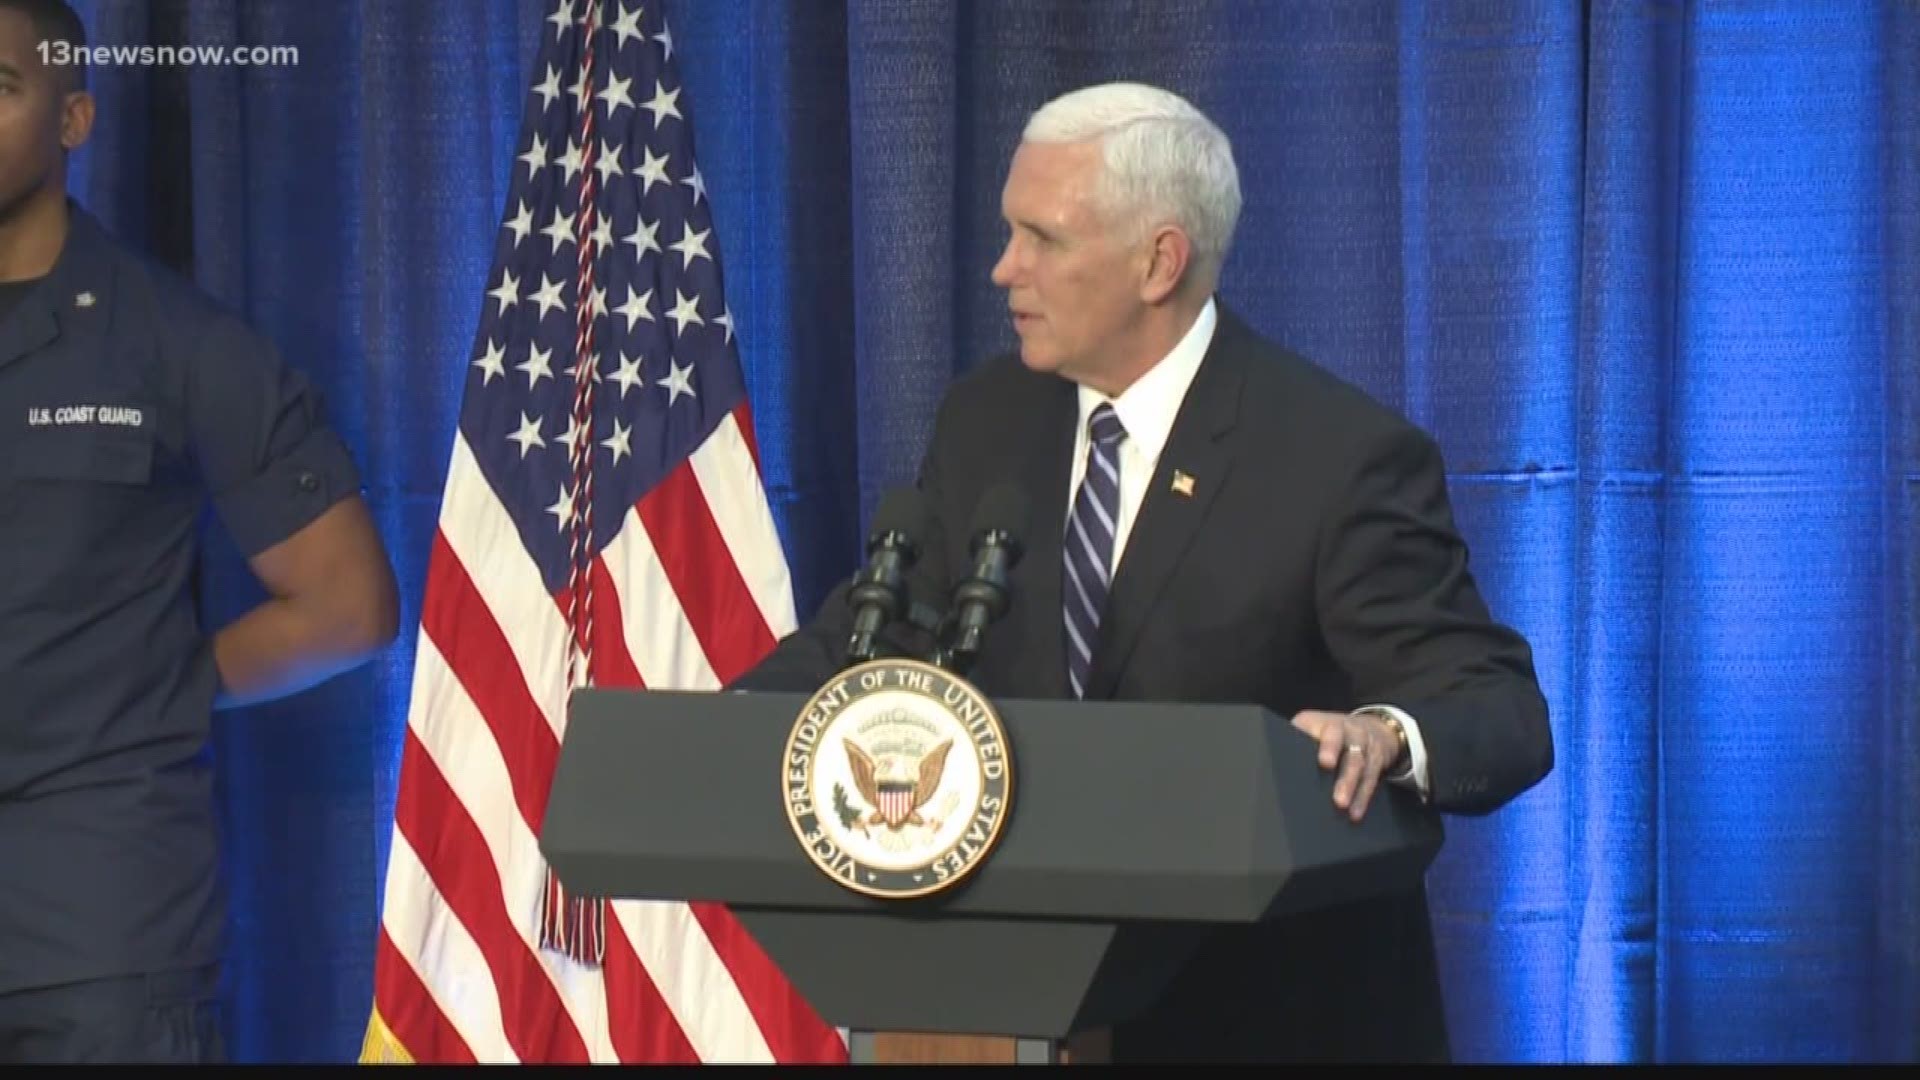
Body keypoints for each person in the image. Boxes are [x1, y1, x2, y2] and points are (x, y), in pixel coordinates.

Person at [733, 81, 1554, 1062]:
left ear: (1158, 261)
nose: (1003, 269)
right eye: (1008, 232)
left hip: (1267, 1020)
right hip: (1006, 1007)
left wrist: (1383, 734)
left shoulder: (1336, 454)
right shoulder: (987, 421)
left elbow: (1494, 706)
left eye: (1043, 239)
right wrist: (714, 734)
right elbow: (883, 635)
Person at [0, 0, 400, 1063]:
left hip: (92, 937)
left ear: (74, 118)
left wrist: (162, 682)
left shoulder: (173, 342)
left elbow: (349, 604)